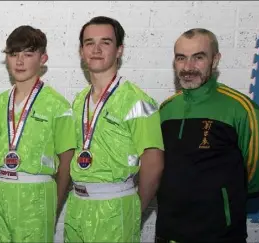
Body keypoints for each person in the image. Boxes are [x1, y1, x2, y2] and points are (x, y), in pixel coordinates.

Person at [156, 28, 259, 243]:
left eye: (198, 57)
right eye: (181, 58)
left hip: (219, 235)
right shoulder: (166, 110)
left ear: (215, 60)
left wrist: (224, 199)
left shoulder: (241, 109)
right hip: (167, 232)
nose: (188, 67)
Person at [64, 16, 164, 242]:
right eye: (89, 43)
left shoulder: (137, 101)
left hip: (115, 206)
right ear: (81, 51)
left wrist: (135, 207)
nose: (96, 49)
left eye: (105, 42)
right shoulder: (80, 100)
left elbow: (154, 161)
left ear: (119, 50)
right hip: (78, 205)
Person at [0, 25, 76, 242]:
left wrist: (54, 203)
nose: (19, 61)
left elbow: (67, 161)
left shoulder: (58, 105)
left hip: (37, 194)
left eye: (28, 54)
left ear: (43, 58)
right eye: (14, 54)